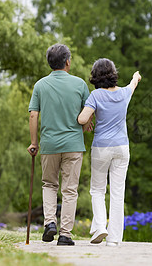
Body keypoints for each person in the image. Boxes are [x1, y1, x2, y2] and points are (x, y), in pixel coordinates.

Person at [27, 43, 91, 246]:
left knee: (49, 184)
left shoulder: (40, 85)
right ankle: (65, 235)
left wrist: (34, 142)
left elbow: (33, 115)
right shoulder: (80, 84)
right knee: (70, 190)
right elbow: (88, 113)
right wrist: (83, 128)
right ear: (67, 62)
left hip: (49, 145)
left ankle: (49, 223)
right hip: (73, 145)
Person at [78, 58, 141, 246]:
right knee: (117, 193)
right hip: (122, 148)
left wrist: (89, 120)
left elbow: (82, 119)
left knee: (97, 189)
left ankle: (99, 227)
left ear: (95, 76)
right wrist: (136, 77)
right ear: (114, 74)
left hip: (101, 148)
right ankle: (113, 240)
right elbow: (133, 84)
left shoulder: (95, 96)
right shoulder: (124, 93)